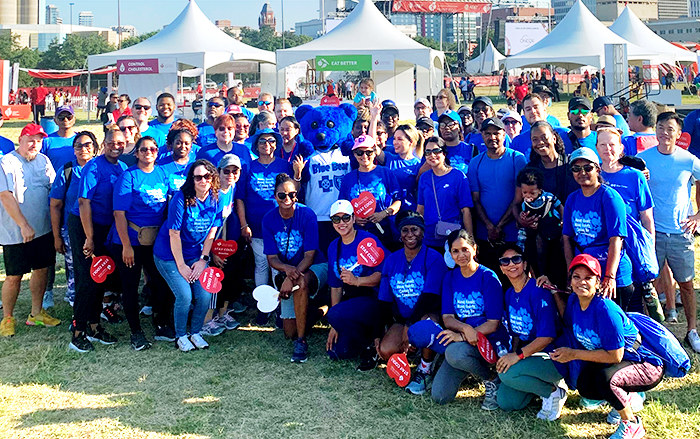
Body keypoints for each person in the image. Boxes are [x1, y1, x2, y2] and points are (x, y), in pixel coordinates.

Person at [550, 255, 664, 439]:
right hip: (618, 362)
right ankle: (623, 397)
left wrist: (572, 354)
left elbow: (615, 356)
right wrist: (554, 292)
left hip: (644, 364)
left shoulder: (605, 310)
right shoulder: (573, 301)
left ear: (598, 283)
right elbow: (569, 323)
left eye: (588, 278)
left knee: (605, 379)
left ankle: (632, 423)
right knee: (585, 385)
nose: (581, 282)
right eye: (576, 277)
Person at [638, 112, 700, 351]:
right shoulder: (642, 160)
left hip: (680, 233)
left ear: (679, 134)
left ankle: (692, 330)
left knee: (686, 283)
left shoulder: (689, 160)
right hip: (650, 232)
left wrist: (697, 216)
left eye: (670, 129)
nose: (664, 133)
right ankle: (650, 333)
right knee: (648, 284)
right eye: (660, 127)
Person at [67, 126, 127, 352]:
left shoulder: (122, 167)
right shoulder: (94, 166)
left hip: (104, 228)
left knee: (100, 277)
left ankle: (94, 326)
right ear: (104, 144)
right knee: (86, 278)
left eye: (120, 143)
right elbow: (84, 202)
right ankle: (78, 332)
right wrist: (89, 237)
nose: (115, 147)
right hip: (84, 226)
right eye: (111, 143)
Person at [431, 230, 505, 409]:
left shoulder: (488, 277)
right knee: (440, 396)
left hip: (489, 340)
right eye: (455, 251)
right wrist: (465, 330)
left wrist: (464, 336)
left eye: (465, 249)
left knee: (454, 353)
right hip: (465, 338)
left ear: (474, 249)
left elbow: (494, 323)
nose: (461, 255)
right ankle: (472, 369)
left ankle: (492, 379)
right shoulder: (450, 277)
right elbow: (447, 318)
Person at [153, 159, 222, 352]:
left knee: (205, 293)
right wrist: (181, 266)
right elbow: (173, 234)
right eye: (198, 177)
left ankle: (196, 332)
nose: (203, 180)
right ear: (191, 179)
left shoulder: (217, 198)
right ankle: (181, 335)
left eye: (207, 176)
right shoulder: (180, 199)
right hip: (169, 255)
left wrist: (203, 260)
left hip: (196, 254)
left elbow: (212, 233)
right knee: (184, 295)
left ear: (213, 178)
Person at [377, 211, 448, 394]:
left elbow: (430, 298)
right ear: (399, 234)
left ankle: (425, 368)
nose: (410, 234)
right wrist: (378, 333)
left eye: (415, 229)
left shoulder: (434, 258)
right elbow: (384, 301)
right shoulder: (392, 260)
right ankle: (415, 349)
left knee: (424, 326)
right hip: (402, 317)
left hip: (428, 313)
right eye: (405, 230)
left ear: (423, 232)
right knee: (386, 350)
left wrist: (410, 326)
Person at [0, 123, 59, 337]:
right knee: (14, 275)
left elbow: (53, 190)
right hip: (16, 231)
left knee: (42, 269)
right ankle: (7, 317)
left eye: (39, 140)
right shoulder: (7, 162)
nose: (35, 144)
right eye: (30, 140)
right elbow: (5, 195)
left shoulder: (44, 160)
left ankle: (36, 313)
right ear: (20, 140)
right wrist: (23, 224)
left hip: (42, 228)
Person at [263, 173, 328, 362]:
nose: (287, 199)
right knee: (288, 332)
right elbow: (272, 259)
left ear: (297, 195)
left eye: (292, 195)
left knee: (299, 282)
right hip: (289, 270)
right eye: (282, 195)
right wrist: (287, 272)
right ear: (275, 196)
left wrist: (289, 278)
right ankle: (321, 310)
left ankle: (302, 342)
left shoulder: (307, 214)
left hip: (315, 266)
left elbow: (310, 255)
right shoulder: (268, 219)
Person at [495, 244, 565, 420]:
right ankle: (539, 385)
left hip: (553, 357)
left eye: (516, 259)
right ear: (501, 268)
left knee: (508, 373)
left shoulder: (538, 290)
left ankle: (554, 391)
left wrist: (516, 357)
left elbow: (547, 337)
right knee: (507, 402)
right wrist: (512, 355)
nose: (511, 264)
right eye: (505, 261)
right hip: (529, 356)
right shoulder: (509, 294)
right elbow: (516, 334)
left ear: (525, 264)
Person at [112, 136, 169, 351]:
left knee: (160, 282)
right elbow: (119, 214)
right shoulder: (129, 177)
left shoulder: (162, 173)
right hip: (130, 241)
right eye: (143, 149)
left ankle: (161, 323)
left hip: (155, 242)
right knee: (130, 286)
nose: (149, 152)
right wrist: (126, 246)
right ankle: (136, 332)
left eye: (153, 149)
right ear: (136, 153)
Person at [562, 147, 635, 314]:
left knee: (615, 323)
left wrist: (610, 277)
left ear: (598, 169)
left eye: (587, 167)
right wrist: (571, 271)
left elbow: (616, 239)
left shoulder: (609, 197)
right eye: (576, 168)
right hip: (586, 274)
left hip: (613, 273)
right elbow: (567, 237)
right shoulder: (572, 199)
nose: (582, 173)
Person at [598, 126, 657, 315]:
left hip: (630, 245)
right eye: (603, 145)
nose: (608, 149)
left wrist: (649, 248)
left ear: (621, 148)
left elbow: (647, 218)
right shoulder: (593, 174)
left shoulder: (635, 176)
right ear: (597, 148)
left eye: (612, 145)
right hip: (602, 245)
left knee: (633, 299)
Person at [325, 200, 387, 369]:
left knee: (337, 314)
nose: (342, 223)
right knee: (337, 352)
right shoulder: (333, 247)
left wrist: (358, 281)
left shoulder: (368, 239)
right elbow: (335, 285)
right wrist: (335, 323)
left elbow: (383, 274)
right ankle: (364, 339)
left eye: (346, 218)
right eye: (336, 219)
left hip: (373, 299)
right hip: (351, 302)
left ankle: (371, 344)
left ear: (353, 219)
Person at [237, 129, 297, 293]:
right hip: (256, 224)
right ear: (256, 145)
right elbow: (240, 198)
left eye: (271, 140)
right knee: (261, 262)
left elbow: (293, 193)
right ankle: (262, 301)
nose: (266, 144)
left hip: (281, 222)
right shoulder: (248, 167)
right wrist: (244, 225)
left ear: (276, 144)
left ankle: (280, 299)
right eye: (262, 141)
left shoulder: (284, 166)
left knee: (278, 263)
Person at [468, 118, 527, 275]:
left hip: (512, 235)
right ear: (482, 135)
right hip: (485, 236)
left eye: (496, 133)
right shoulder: (475, 163)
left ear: (504, 134)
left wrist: (500, 226)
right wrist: (489, 226)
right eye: (488, 133)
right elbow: (476, 199)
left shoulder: (517, 159)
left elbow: (519, 197)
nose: (492, 137)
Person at [49, 132, 97, 308]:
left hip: (99, 227)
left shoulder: (100, 168)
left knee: (99, 267)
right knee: (76, 269)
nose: (83, 149)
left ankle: (101, 305)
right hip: (72, 231)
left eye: (88, 145)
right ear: (74, 150)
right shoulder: (67, 171)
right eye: (79, 146)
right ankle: (77, 307)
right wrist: (56, 237)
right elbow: (55, 205)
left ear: (95, 148)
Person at [339, 134, 401, 248]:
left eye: (368, 152)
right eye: (360, 152)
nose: (364, 156)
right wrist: (354, 218)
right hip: (358, 233)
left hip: (384, 231)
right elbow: (342, 206)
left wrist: (383, 213)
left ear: (374, 152)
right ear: (354, 154)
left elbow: (398, 200)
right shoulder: (348, 179)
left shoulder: (386, 173)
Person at [417, 137, 473, 251]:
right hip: (429, 237)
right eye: (427, 152)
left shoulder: (458, 176)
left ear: (444, 153)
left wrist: (470, 240)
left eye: (436, 151)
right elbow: (420, 209)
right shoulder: (424, 178)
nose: (432, 155)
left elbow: (465, 210)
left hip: (454, 238)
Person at [514, 168, 564, 283]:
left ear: (540, 190)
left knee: (562, 246)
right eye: (524, 192)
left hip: (554, 227)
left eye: (532, 193)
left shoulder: (548, 198)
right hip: (540, 232)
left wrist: (563, 219)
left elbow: (560, 207)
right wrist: (525, 220)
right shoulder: (525, 204)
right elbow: (524, 217)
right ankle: (541, 274)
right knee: (540, 251)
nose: (528, 196)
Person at [382, 124, 423, 210]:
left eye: (400, 139)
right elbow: (372, 147)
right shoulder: (389, 158)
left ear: (411, 142)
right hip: (388, 211)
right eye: (394, 138)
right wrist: (374, 116)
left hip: (408, 211)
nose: (395, 142)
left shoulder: (418, 165)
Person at [41, 105, 77, 172]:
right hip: (54, 181)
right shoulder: (46, 141)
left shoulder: (80, 139)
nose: (65, 120)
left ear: (74, 119)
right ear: (55, 121)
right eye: (61, 118)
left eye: (69, 117)